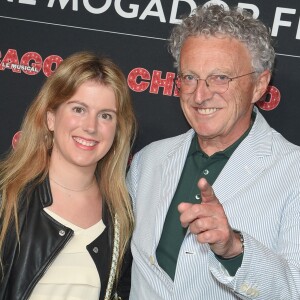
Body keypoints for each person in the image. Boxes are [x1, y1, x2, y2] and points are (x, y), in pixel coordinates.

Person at [126, 4, 300, 299]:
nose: (200, 95)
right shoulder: (148, 161)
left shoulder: (293, 172)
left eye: (220, 78)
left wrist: (233, 249)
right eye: (190, 77)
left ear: (259, 85)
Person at [0, 51, 136, 300]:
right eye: (79, 109)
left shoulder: (122, 217)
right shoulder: (6, 197)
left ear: (117, 130)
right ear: (51, 117)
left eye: (105, 115)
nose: (91, 127)